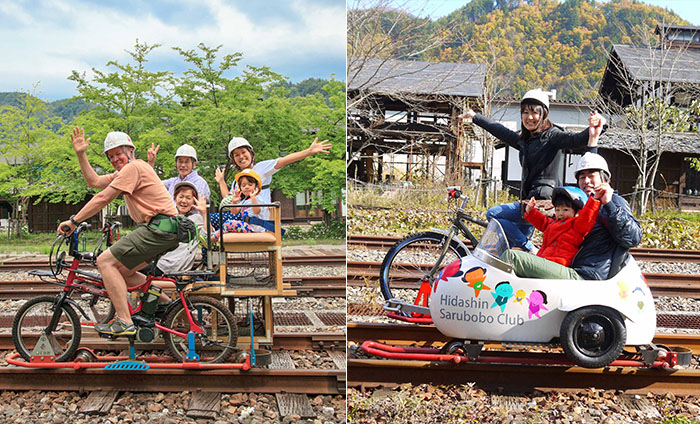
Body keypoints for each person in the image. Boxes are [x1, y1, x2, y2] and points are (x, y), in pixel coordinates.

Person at [58, 127, 179, 336]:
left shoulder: (134, 168)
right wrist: (81, 154)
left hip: (159, 227)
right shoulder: (125, 172)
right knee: (121, 274)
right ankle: (167, 306)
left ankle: (124, 321)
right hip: (163, 229)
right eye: (111, 156)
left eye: (118, 154)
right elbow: (94, 182)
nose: (115, 159)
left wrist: (74, 221)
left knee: (105, 261)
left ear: (130, 151)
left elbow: (103, 198)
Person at [459, 89, 606, 252]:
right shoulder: (524, 140)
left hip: (543, 201)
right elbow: (500, 130)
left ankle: (530, 248)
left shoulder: (553, 136)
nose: (529, 117)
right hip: (529, 200)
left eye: (534, 112)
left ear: (544, 113)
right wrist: (475, 116)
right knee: (508, 245)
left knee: (493, 214)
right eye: (525, 112)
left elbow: (576, 139)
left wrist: (597, 126)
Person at [210, 136, 332, 229]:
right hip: (241, 216)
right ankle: (210, 257)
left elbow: (284, 160)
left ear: (251, 153)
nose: (241, 157)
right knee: (209, 221)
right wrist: (221, 181)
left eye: (243, 152)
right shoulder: (238, 180)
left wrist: (309, 151)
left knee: (211, 220)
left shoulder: (261, 168)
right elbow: (229, 200)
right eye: (236, 155)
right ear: (233, 160)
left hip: (257, 218)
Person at [570, 150, 642, 280]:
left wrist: (609, 205)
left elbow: (633, 237)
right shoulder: (583, 205)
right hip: (575, 267)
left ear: (605, 179)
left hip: (590, 274)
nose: (586, 181)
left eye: (591, 176)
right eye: (582, 177)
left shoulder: (614, 201)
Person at [502, 186, 600, 280]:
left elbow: (587, 217)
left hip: (558, 264)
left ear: (577, 212)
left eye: (566, 210)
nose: (561, 213)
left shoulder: (576, 226)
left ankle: (500, 287)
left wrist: (594, 200)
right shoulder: (553, 224)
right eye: (557, 210)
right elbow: (542, 221)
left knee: (511, 256)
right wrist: (531, 211)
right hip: (545, 261)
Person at [151, 181, 207, 275]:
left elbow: (208, 240)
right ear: (175, 198)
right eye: (181, 197)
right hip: (159, 262)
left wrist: (204, 213)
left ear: (194, 201)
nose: (184, 201)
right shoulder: (168, 217)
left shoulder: (195, 219)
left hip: (172, 267)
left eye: (188, 198)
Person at [212, 169, 267, 243]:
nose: (246, 187)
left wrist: (253, 197)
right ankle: (214, 239)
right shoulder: (244, 200)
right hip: (247, 226)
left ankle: (212, 239)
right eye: (243, 185)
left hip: (255, 228)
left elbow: (257, 211)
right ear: (240, 188)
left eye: (250, 185)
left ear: (256, 187)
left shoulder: (257, 198)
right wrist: (234, 201)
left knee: (229, 224)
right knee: (228, 223)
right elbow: (234, 212)